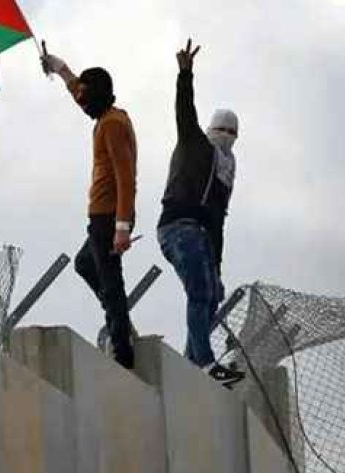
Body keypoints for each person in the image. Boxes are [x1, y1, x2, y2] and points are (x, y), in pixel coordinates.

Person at [40, 44, 139, 369]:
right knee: (86, 264)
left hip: (109, 216)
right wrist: (60, 68)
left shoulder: (111, 124)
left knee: (111, 283)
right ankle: (119, 322)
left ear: (96, 95)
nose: (80, 102)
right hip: (104, 216)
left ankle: (122, 352)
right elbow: (79, 92)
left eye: (85, 96)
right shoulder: (110, 116)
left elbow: (125, 177)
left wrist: (122, 227)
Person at [156, 39, 243, 385]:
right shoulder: (195, 142)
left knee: (211, 296)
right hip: (178, 226)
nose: (227, 137)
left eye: (233, 133)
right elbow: (184, 111)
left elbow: (219, 222)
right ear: (211, 128)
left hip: (203, 234)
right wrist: (185, 74)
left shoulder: (227, 169)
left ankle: (191, 363)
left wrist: (219, 268)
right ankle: (204, 363)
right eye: (223, 130)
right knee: (199, 292)